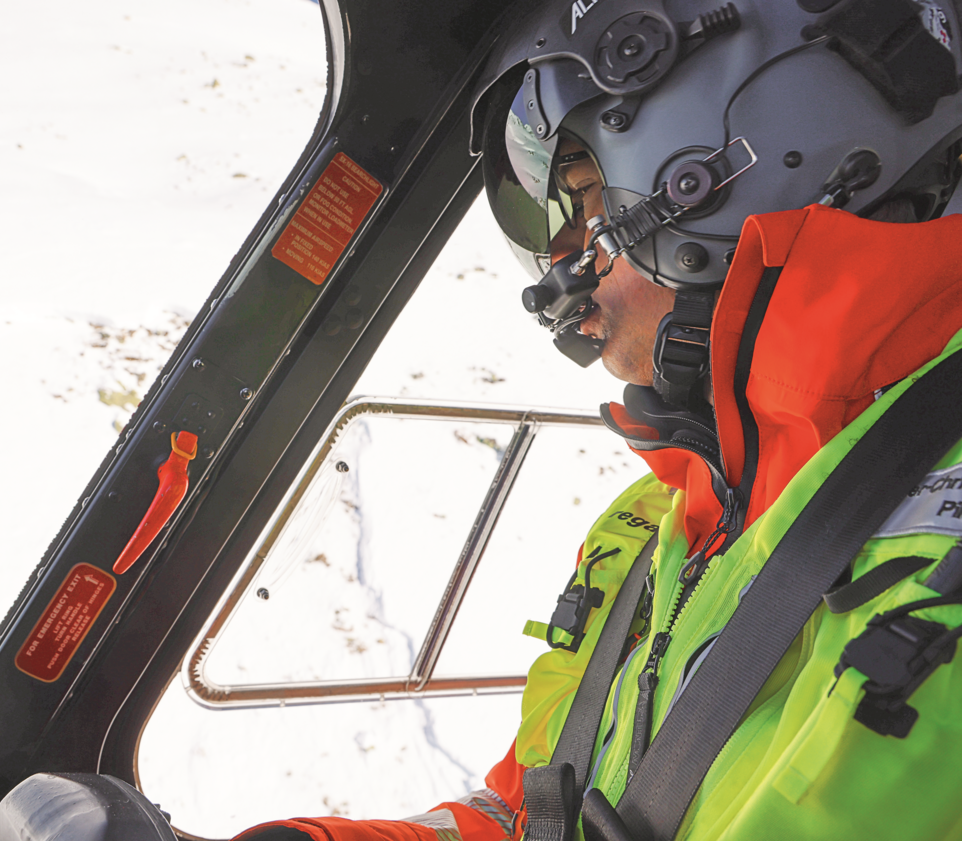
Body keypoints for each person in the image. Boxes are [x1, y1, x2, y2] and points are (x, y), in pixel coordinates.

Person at [237, 1, 962, 838]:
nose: (565, 277)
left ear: (725, 170)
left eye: (583, 206)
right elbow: (526, 814)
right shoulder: (651, 527)